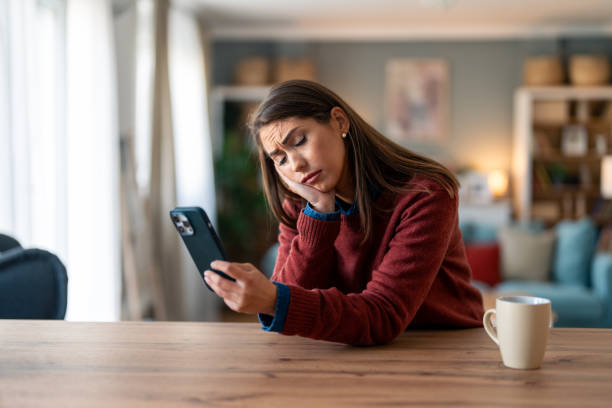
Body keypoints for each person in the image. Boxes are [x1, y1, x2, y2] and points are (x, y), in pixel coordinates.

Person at [204, 80, 484, 346]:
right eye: (281, 159)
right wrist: (319, 214)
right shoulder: (301, 202)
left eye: (300, 140)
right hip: (351, 344)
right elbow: (292, 305)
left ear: (339, 121)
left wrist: (274, 300)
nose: (296, 165)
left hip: (443, 344)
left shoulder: (425, 194)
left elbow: (383, 315)